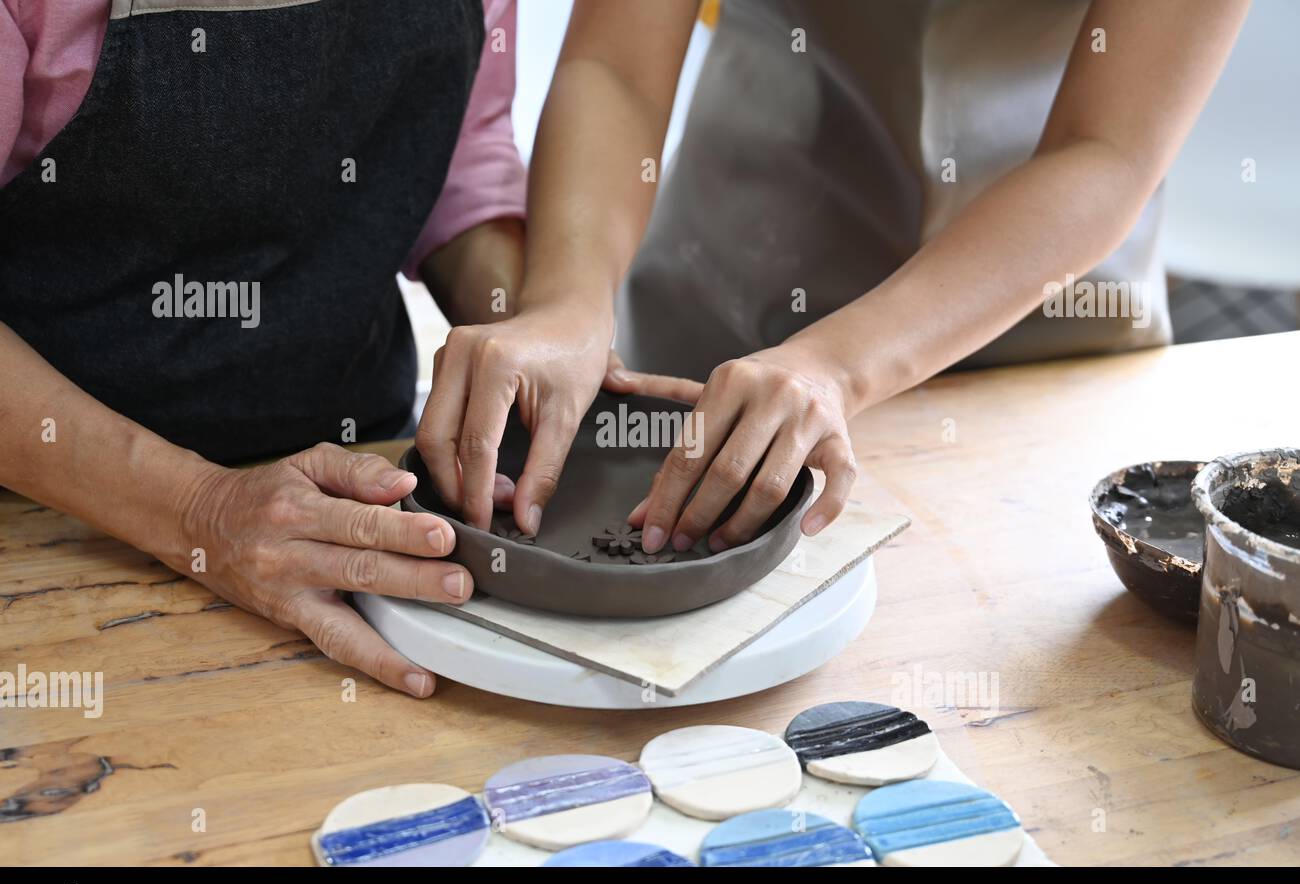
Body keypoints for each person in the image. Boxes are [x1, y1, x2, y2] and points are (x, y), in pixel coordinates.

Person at [423, 0, 1250, 564]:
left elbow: (1107, 148)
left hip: (1049, 311)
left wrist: (837, 364)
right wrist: (565, 299)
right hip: (737, 288)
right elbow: (619, 66)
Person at [0, 0, 535, 696]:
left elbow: (462, 151)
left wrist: (523, 334)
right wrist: (201, 509)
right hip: (46, 528)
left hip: (364, 492)